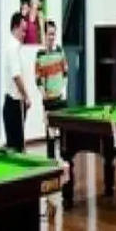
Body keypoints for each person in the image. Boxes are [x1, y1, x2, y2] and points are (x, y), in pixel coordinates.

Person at [35, 20, 69, 159]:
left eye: (53, 34)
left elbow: (65, 72)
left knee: (63, 133)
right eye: (49, 34)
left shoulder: (60, 51)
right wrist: (43, 92)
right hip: (48, 100)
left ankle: (65, 159)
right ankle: (51, 161)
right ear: (44, 35)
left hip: (60, 98)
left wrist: (62, 88)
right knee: (50, 133)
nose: (51, 37)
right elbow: (38, 78)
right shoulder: (40, 55)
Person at [3, 12, 31, 152]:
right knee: (17, 148)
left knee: (16, 146)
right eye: (22, 30)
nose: (24, 34)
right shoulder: (13, 48)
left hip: (13, 103)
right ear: (15, 27)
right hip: (15, 104)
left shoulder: (15, 47)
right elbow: (16, 76)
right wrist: (27, 96)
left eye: (25, 31)